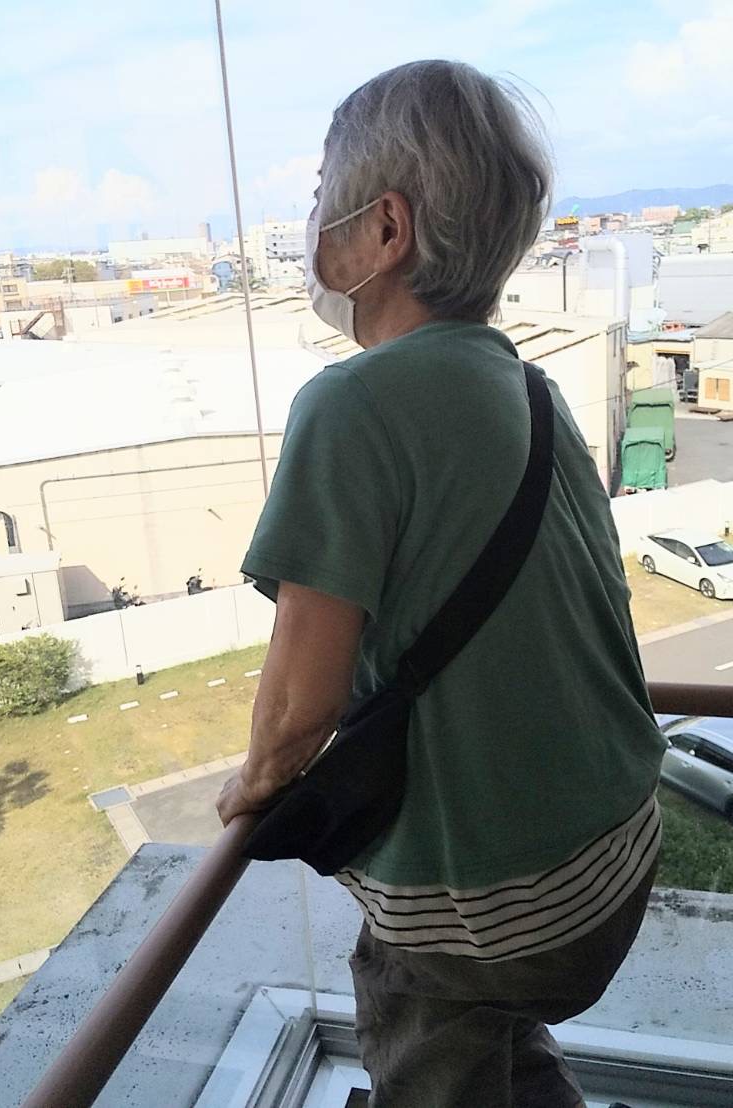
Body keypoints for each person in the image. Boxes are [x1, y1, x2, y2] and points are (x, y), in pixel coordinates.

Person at [217, 59, 666, 1108]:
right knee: (502, 1042)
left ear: (386, 229)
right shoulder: (533, 389)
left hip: (496, 911)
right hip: (618, 853)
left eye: (321, 198)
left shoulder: (349, 404)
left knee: (429, 1030)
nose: (308, 228)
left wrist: (247, 792)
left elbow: (299, 708)